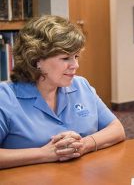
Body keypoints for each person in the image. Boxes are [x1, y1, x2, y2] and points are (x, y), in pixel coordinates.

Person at [0, 15, 126, 169]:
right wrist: (44, 154)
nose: (75, 65)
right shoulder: (5, 97)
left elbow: (117, 129)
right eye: (66, 58)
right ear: (36, 60)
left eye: (76, 56)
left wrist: (84, 145)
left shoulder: (81, 85)